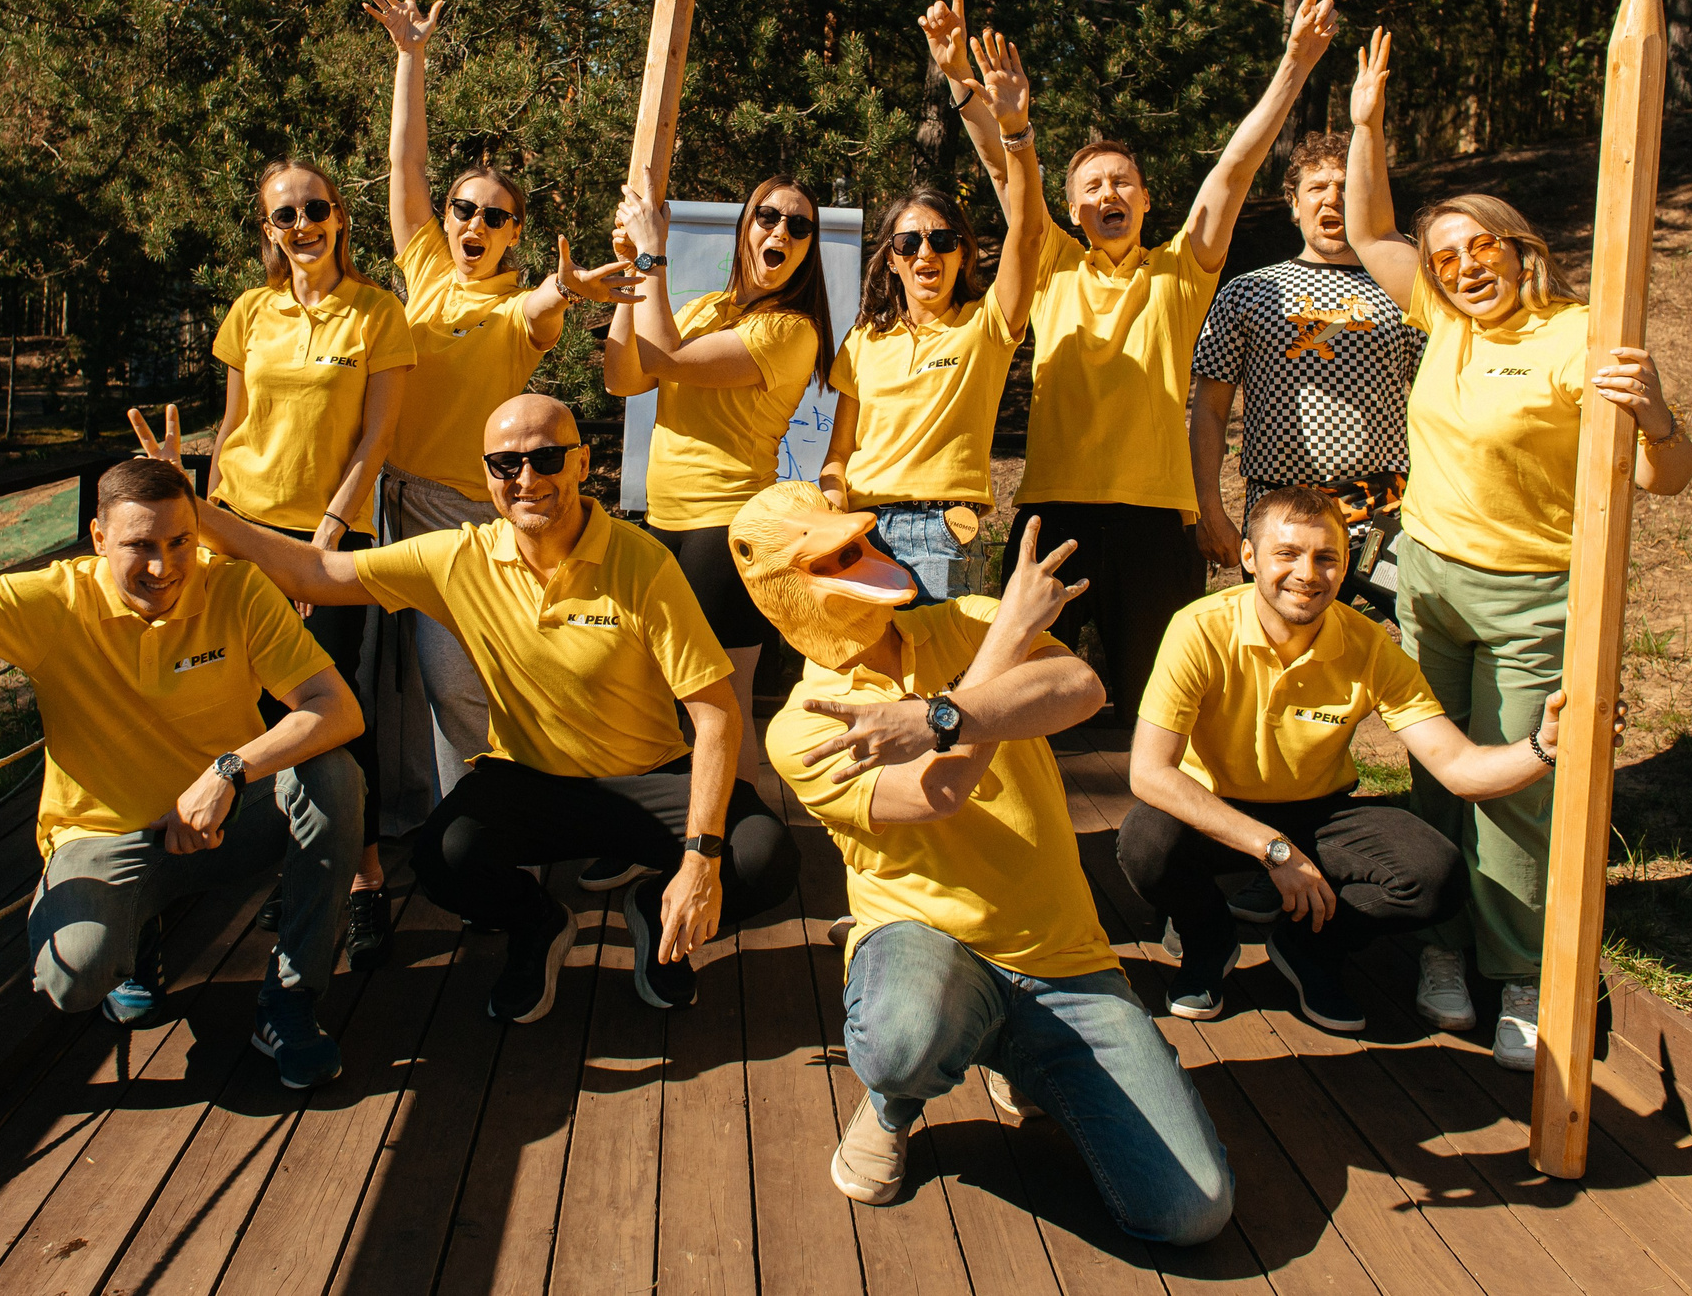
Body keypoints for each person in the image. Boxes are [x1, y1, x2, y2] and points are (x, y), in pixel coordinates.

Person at [129, 394, 802, 1023]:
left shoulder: (642, 562)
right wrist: (192, 508)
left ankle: (655, 911)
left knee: (763, 854)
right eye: (506, 463)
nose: (527, 477)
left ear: (583, 462)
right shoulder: (461, 557)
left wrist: (697, 861)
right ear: (487, 476)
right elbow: (313, 574)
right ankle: (539, 924)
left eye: (546, 457)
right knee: (443, 857)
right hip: (530, 781)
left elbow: (714, 713)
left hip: (648, 774)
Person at [732, 482, 1233, 1241]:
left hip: (1062, 955)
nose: (868, 561)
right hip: (926, 942)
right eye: (836, 557)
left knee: (1189, 1211)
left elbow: (1079, 687)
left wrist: (942, 713)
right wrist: (1003, 647)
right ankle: (895, 1100)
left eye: (862, 543)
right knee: (903, 1040)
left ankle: (1021, 1051)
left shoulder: (961, 620)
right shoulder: (805, 725)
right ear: (782, 588)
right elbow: (941, 791)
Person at [1340, 28, 1692, 1068]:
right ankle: (1441, 956)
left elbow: (1660, 480)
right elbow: (1368, 229)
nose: (1459, 270)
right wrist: (1367, 125)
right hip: (1430, 587)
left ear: (1516, 245)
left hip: (1535, 595)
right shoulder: (1440, 322)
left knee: (1517, 794)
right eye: (1444, 258)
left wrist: (1660, 416)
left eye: (1475, 250)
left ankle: (1522, 982)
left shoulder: (1579, 335)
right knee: (1434, 779)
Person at [0, 457, 366, 1090]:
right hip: (104, 838)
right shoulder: (52, 601)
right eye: (140, 546)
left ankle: (290, 1004)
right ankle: (131, 937)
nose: (164, 566)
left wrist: (229, 771)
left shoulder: (236, 588)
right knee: (72, 982)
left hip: (221, 819)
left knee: (334, 776)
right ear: (99, 540)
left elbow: (335, 708)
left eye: (180, 541)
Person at [942, 0, 1342, 732]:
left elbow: (1233, 170)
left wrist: (1293, 65)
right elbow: (1004, 170)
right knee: (1019, 699)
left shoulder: (1179, 273)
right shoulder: (1052, 260)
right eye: (1090, 184)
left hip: (1160, 522)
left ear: (1147, 198)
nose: (1106, 191)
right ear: (1071, 208)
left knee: (1154, 709)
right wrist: (964, 81)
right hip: (1054, 514)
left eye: (1121, 179)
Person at [1119, 485, 1613, 1036]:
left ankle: (1308, 947)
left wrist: (1546, 747)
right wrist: (1275, 851)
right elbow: (1150, 772)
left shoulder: (1370, 646)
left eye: (1326, 557)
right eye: (1287, 554)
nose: (1308, 573)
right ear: (1249, 557)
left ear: (1345, 564)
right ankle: (1208, 941)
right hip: (1214, 808)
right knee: (1146, 841)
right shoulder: (1199, 629)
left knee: (1435, 877)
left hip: (1318, 810)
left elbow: (1458, 768)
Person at [361, 0, 641, 838]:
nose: (474, 222)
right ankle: (398, 828)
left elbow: (548, 302)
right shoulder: (426, 273)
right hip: (380, 499)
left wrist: (570, 283)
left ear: (515, 233)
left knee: (455, 679)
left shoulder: (516, 310)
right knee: (374, 681)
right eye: (464, 208)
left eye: (495, 216)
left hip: (453, 514)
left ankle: (479, 828)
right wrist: (411, 60)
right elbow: (404, 162)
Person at [206, 156, 413, 969]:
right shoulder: (250, 312)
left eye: (315, 209)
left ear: (339, 218)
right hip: (239, 530)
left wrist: (319, 545)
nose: (302, 226)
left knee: (334, 705)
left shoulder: (376, 312)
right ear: (268, 230)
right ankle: (302, 869)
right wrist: (202, 517)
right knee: (255, 706)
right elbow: (230, 430)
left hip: (329, 543)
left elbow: (377, 440)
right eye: (284, 215)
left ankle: (365, 877)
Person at [603, 172, 834, 749]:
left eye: (799, 225)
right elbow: (624, 376)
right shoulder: (710, 307)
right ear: (745, 230)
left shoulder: (791, 329)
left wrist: (654, 255)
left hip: (727, 531)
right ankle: (687, 828)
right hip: (664, 525)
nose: (781, 229)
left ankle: (740, 835)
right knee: (659, 705)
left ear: (808, 249)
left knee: (718, 712)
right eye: (768, 217)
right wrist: (633, 270)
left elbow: (667, 358)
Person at [819, 23, 1045, 601]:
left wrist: (1016, 133)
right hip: (860, 534)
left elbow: (1027, 232)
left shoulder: (988, 324)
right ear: (890, 261)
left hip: (944, 535)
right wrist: (831, 507)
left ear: (963, 253)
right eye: (908, 243)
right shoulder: (865, 341)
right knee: (867, 687)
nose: (926, 252)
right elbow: (839, 456)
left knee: (941, 690)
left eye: (943, 241)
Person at [1189, 130, 1423, 601]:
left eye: (1346, 188)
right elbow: (1210, 410)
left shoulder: (1408, 293)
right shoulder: (1247, 292)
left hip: (1388, 513)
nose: (1332, 199)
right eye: (1317, 188)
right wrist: (1209, 509)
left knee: (1411, 640)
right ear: (1294, 204)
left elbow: (1436, 401)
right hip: (1280, 516)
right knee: (1287, 653)